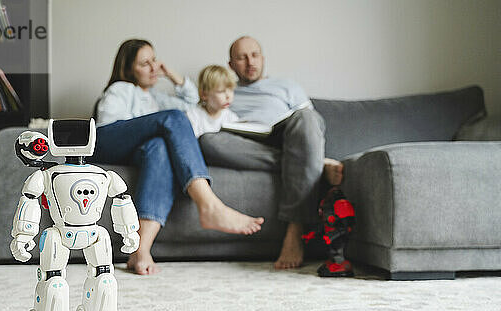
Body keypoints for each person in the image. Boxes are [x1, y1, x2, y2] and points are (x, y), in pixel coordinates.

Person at [91, 39, 264, 275]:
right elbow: (107, 125)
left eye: (155, 60)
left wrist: (170, 75)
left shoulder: (157, 97)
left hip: (137, 151)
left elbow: (195, 101)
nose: (154, 67)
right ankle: (209, 205)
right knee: (173, 118)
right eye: (145, 63)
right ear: (129, 69)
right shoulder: (121, 89)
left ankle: (140, 249)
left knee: (159, 147)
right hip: (107, 139)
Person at [202, 36, 343, 270]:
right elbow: (196, 105)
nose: (250, 62)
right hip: (248, 143)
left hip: (285, 135)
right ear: (230, 65)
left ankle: (295, 228)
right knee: (208, 141)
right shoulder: (225, 90)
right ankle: (315, 164)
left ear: (263, 58)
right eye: (241, 57)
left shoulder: (286, 86)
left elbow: (313, 127)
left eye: (255, 55)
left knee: (306, 117)